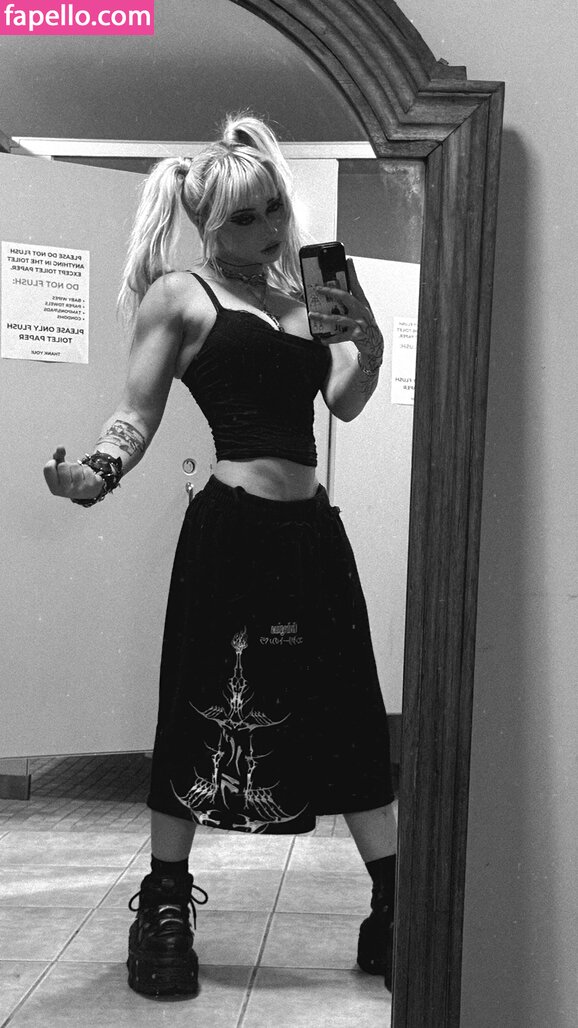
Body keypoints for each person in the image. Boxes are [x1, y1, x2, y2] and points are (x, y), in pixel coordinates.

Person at [43, 114, 397, 997]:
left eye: (272, 207)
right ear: (207, 222)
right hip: (232, 534)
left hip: (313, 535)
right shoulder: (182, 295)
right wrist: (95, 474)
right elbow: (136, 413)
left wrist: (369, 341)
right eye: (244, 216)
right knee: (198, 703)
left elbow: (344, 402)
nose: (268, 227)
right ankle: (165, 904)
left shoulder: (301, 301)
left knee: (351, 704)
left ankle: (395, 903)